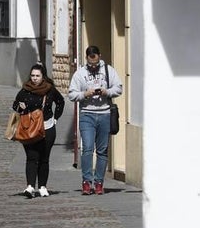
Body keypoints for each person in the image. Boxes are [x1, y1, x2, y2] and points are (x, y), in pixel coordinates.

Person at [67, 45, 123, 195]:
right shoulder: (80, 73)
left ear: (99, 56)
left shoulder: (108, 70)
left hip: (105, 114)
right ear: (86, 59)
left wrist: (106, 92)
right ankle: (86, 182)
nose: (93, 66)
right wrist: (85, 94)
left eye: (96, 63)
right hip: (87, 115)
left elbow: (119, 88)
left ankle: (99, 182)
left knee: (102, 151)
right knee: (87, 148)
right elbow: (71, 94)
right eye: (91, 64)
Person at [12, 63, 65, 197]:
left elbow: (60, 102)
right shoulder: (25, 90)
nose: (34, 78)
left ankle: (42, 186)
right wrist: (20, 107)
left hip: (47, 128)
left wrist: (55, 118)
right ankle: (30, 186)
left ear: (43, 77)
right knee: (31, 157)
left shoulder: (50, 89)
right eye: (33, 75)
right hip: (29, 128)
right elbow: (15, 105)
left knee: (44, 158)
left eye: (37, 76)